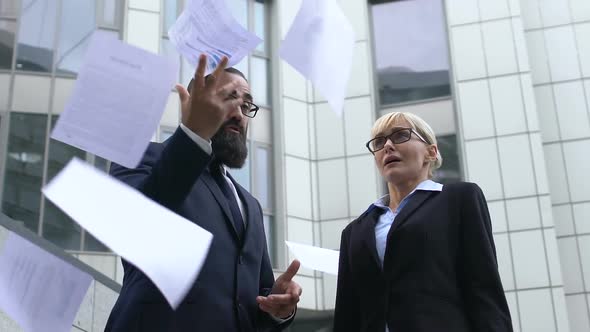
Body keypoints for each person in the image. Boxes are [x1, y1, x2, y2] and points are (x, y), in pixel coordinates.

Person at [105, 55, 302, 332]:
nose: (238, 113)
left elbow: (253, 304)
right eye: (227, 99)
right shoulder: (141, 159)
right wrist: (194, 135)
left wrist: (277, 309)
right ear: (193, 102)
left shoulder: (250, 206)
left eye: (246, 105)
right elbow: (139, 227)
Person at [333, 112, 512, 331]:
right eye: (379, 142)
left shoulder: (458, 199)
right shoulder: (355, 231)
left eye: (400, 135)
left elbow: (484, 288)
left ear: (431, 152)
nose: (387, 146)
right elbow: (347, 314)